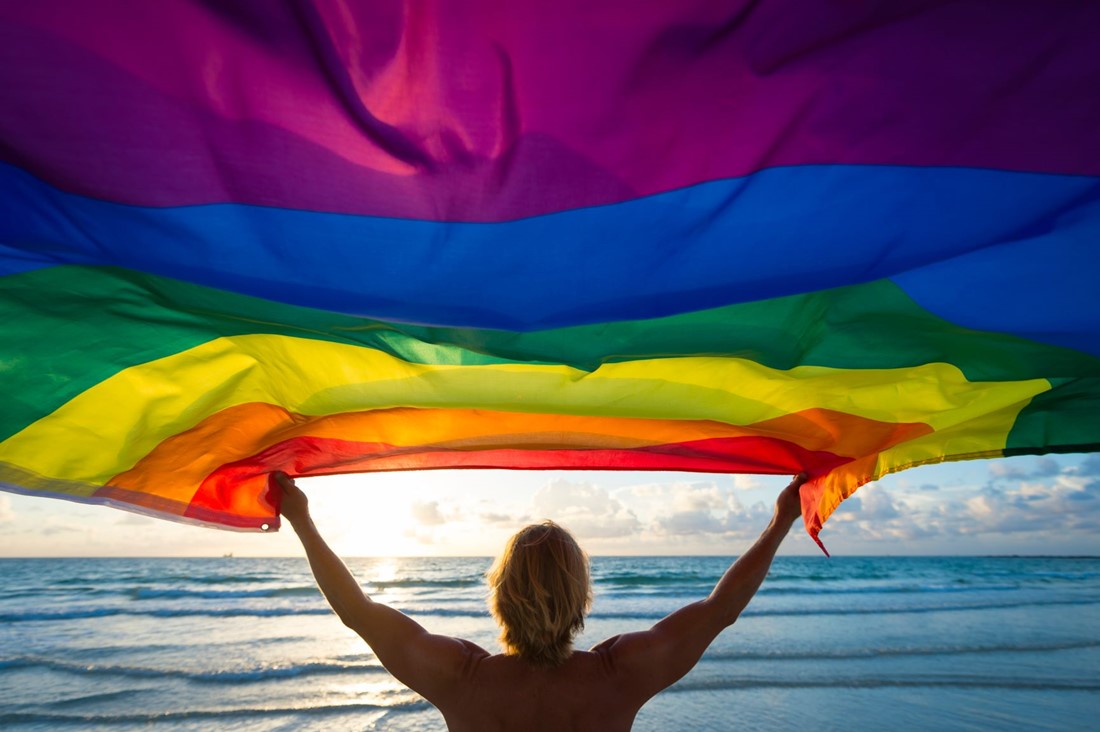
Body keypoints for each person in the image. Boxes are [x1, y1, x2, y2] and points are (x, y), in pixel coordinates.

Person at [274, 471, 808, 731]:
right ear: (580, 595)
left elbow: (356, 611)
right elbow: (721, 608)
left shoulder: (460, 678)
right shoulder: (620, 673)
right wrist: (780, 520)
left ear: (502, 593)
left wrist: (301, 518)